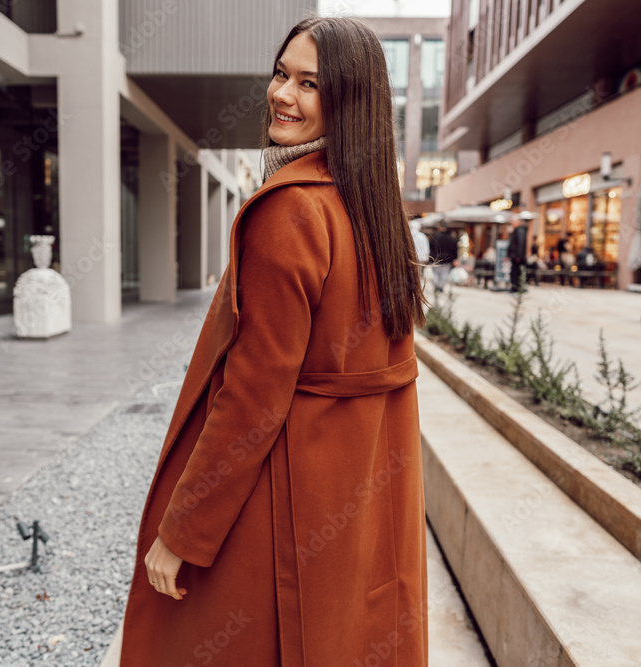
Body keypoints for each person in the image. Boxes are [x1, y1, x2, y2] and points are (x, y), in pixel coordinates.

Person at [120, 17, 429, 667]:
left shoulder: (290, 211)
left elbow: (252, 396)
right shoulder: (373, 210)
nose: (282, 95)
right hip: (358, 504)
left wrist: (183, 530)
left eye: (309, 83)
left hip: (285, 504)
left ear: (349, 100)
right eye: (281, 74)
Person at [429, 227, 458, 293]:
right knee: (444, 274)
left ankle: (436, 285)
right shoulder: (451, 238)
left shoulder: (436, 237)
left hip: (436, 258)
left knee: (435, 274)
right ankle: (441, 287)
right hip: (447, 259)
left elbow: (431, 247)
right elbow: (455, 250)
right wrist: (455, 259)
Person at [508, 213, 529, 293]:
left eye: (513, 222)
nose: (512, 224)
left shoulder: (520, 231)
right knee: (516, 271)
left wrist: (518, 256)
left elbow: (520, 243)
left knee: (516, 272)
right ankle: (516, 286)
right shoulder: (518, 230)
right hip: (516, 256)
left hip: (517, 256)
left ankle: (516, 287)